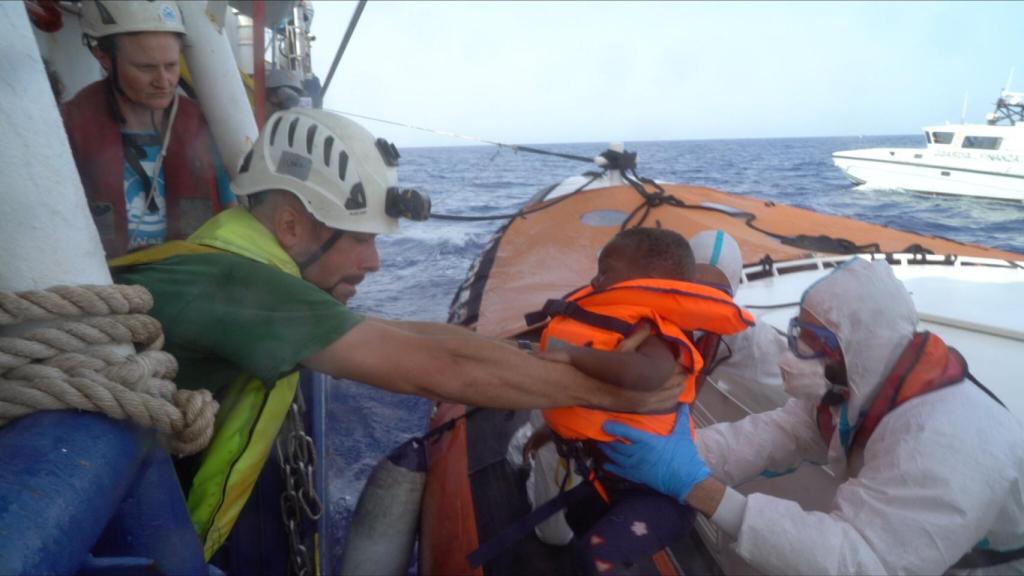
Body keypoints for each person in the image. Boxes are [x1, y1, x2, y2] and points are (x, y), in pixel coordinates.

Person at [110, 108, 682, 560]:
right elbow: (437, 370)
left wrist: (549, 358)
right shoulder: (238, 285)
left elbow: (416, 337)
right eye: (362, 237)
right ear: (292, 225)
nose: (376, 261)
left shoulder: (247, 264)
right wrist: (620, 393)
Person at [601, 258, 1024, 575]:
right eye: (798, 335)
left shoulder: (946, 442)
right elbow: (779, 432)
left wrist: (704, 492)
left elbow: (862, 559)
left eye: (816, 341)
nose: (795, 356)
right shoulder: (857, 387)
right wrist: (677, 453)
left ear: (862, 348)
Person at [510, 228, 753, 572]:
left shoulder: (662, 339)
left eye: (711, 293)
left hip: (656, 493)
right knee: (573, 524)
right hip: (605, 466)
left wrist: (575, 356)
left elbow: (647, 374)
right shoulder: (632, 327)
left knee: (593, 558)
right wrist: (550, 431)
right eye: (690, 286)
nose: (695, 296)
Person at [62, 1, 234, 257]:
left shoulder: (206, 125)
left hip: (190, 278)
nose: (163, 81)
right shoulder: (71, 125)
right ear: (102, 56)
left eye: (171, 65)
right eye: (146, 68)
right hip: (107, 286)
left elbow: (232, 212)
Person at [689, 229, 788, 413]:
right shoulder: (650, 323)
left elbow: (793, 375)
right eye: (693, 291)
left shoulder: (750, 339)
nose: (702, 305)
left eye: (716, 296)